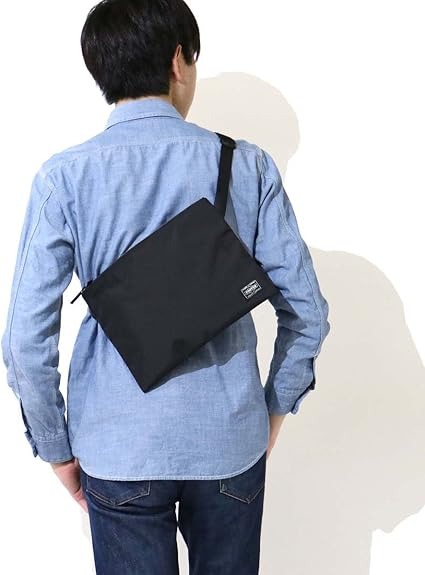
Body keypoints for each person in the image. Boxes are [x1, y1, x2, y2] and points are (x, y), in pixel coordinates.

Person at [1, 1, 331, 573]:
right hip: (229, 442)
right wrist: (272, 411)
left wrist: (56, 448)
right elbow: (309, 313)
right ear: (179, 60)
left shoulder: (64, 177)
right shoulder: (248, 166)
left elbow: (25, 342)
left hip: (117, 448)